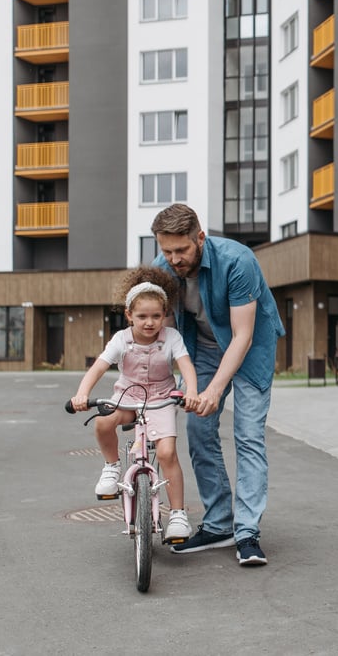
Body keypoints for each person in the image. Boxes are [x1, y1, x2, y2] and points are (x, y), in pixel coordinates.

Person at [151, 203, 285, 566]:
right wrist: (188, 384)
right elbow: (169, 333)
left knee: (248, 434)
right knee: (198, 429)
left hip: (251, 347)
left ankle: (247, 532)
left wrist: (214, 391)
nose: (175, 259)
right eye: (167, 251)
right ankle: (219, 524)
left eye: (182, 250)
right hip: (205, 352)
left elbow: (241, 335)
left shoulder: (237, 260)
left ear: (200, 238)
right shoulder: (163, 271)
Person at [70, 266, 199, 542]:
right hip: (127, 397)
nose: (149, 323)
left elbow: (186, 366)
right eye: (141, 316)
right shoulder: (121, 339)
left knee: (166, 453)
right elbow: (98, 368)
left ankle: (177, 514)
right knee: (104, 420)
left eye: (156, 316)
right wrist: (82, 394)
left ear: (165, 315)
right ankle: (111, 465)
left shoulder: (172, 338)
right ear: (129, 315)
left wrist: (193, 392)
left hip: (161, 400)